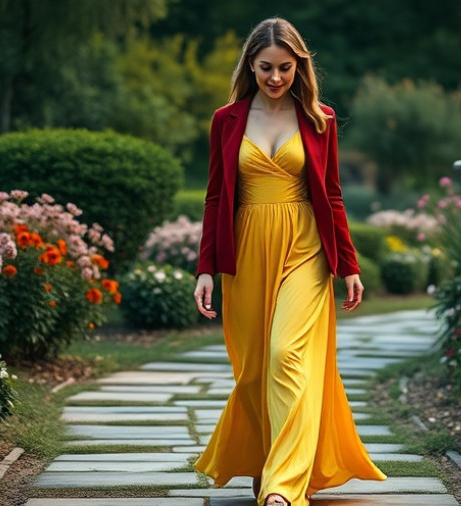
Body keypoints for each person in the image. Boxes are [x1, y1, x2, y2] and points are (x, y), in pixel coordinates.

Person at [192, 17, 386, 506]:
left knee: (286, 356)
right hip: (246, 251)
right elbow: (215, 197)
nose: (275, 77)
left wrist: (348, 264)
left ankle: (283, 485)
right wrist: (205, 269)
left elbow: (333, 195)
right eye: (265, 68)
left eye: (284, 67)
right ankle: (269, 460)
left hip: (305, 248)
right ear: (250, 66)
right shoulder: (226, 120)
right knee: (255, 372)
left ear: (299, 66)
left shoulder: (321, 118)